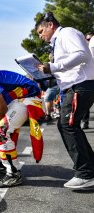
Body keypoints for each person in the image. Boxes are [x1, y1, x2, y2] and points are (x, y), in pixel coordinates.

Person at [36, 12, 94, 188]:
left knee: (67, 125)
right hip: (76, 86)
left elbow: (83, 54)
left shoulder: (66, 33)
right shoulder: (59, 39)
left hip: (80, 84)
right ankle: (88, 168)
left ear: (50, 25)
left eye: (40, 31)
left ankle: (86, 173)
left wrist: (54, 66)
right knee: (68, 125)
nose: (40, 37)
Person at [80, 32, 94, 129]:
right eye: (88, 39)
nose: (90, 41)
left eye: (91, 39)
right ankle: (85, 122)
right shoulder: (84, 52)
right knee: (85, 104)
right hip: (88, 81)